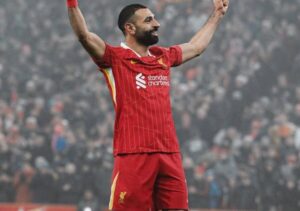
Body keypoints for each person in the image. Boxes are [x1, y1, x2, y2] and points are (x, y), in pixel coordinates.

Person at [65, 0, 229, 210]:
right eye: (149, 20)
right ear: (130, 28)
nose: (157, 24)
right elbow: (84, 35)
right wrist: (71, 3)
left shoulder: (163, 57)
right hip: (134, 153)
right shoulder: (114, 58)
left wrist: (217, 14)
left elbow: (196, 47)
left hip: (169, 152)